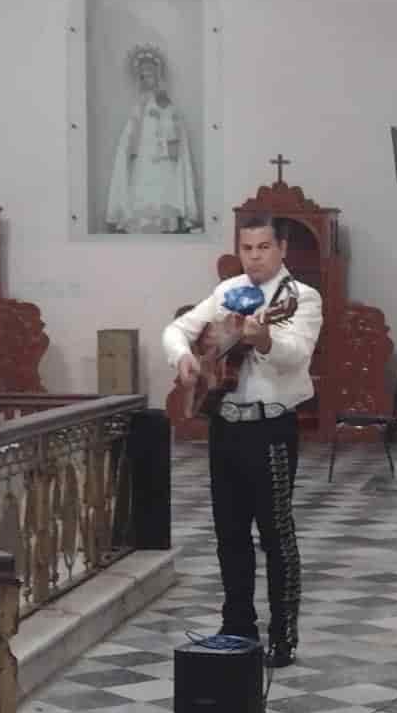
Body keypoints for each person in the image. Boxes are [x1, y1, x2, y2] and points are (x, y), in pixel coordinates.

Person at [163, 214, 323, 667]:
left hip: (270, 428)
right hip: (225, 424)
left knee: (276, 535)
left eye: (263, 247)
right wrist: (185, 360)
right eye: (247, 248)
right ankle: (237, 625)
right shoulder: (226, 291)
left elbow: (297, 356)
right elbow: (177, 330)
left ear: (282, 249)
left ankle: (283, 633)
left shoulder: (301, 298)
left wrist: (265, 339)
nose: (254, 256)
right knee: (228, 534)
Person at [106, 45, 201, 235]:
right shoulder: (138, 105)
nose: (145, 79)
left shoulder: (164, 101)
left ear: (157, 76)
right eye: (141, 76)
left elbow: (173, 130)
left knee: (162, 199)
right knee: (140, 200)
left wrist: (164, 142)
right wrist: (128, 146)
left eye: (149, 74)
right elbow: (130, 134)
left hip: (161, 161)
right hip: (142, 163)